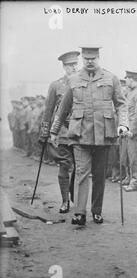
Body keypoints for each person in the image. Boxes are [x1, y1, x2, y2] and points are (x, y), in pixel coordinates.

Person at [50, 46, 129, 226]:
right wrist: (54, 131)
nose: (90, 62)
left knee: (100, 175)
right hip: (80, 135)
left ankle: (97, 211)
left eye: (93, 58)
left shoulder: (111, 78)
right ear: (83, 59)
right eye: (86, 59)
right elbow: (63, 108)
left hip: (104, 135)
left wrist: (123, 124)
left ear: (99, 57)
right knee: (81, 173)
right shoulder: (73, 79)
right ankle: (79, 213)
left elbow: (121, 104)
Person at [39, 51, 79, 213]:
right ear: (64, 67)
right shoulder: (56, 85)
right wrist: (44, 133)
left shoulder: (82, 82)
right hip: (62, 132)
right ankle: (65, 201)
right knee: (64, 165)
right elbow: (48, 111)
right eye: (71, 65)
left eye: (76, 64)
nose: (74, 68)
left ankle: (74, 196)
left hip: (80, 132)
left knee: (79, 168)